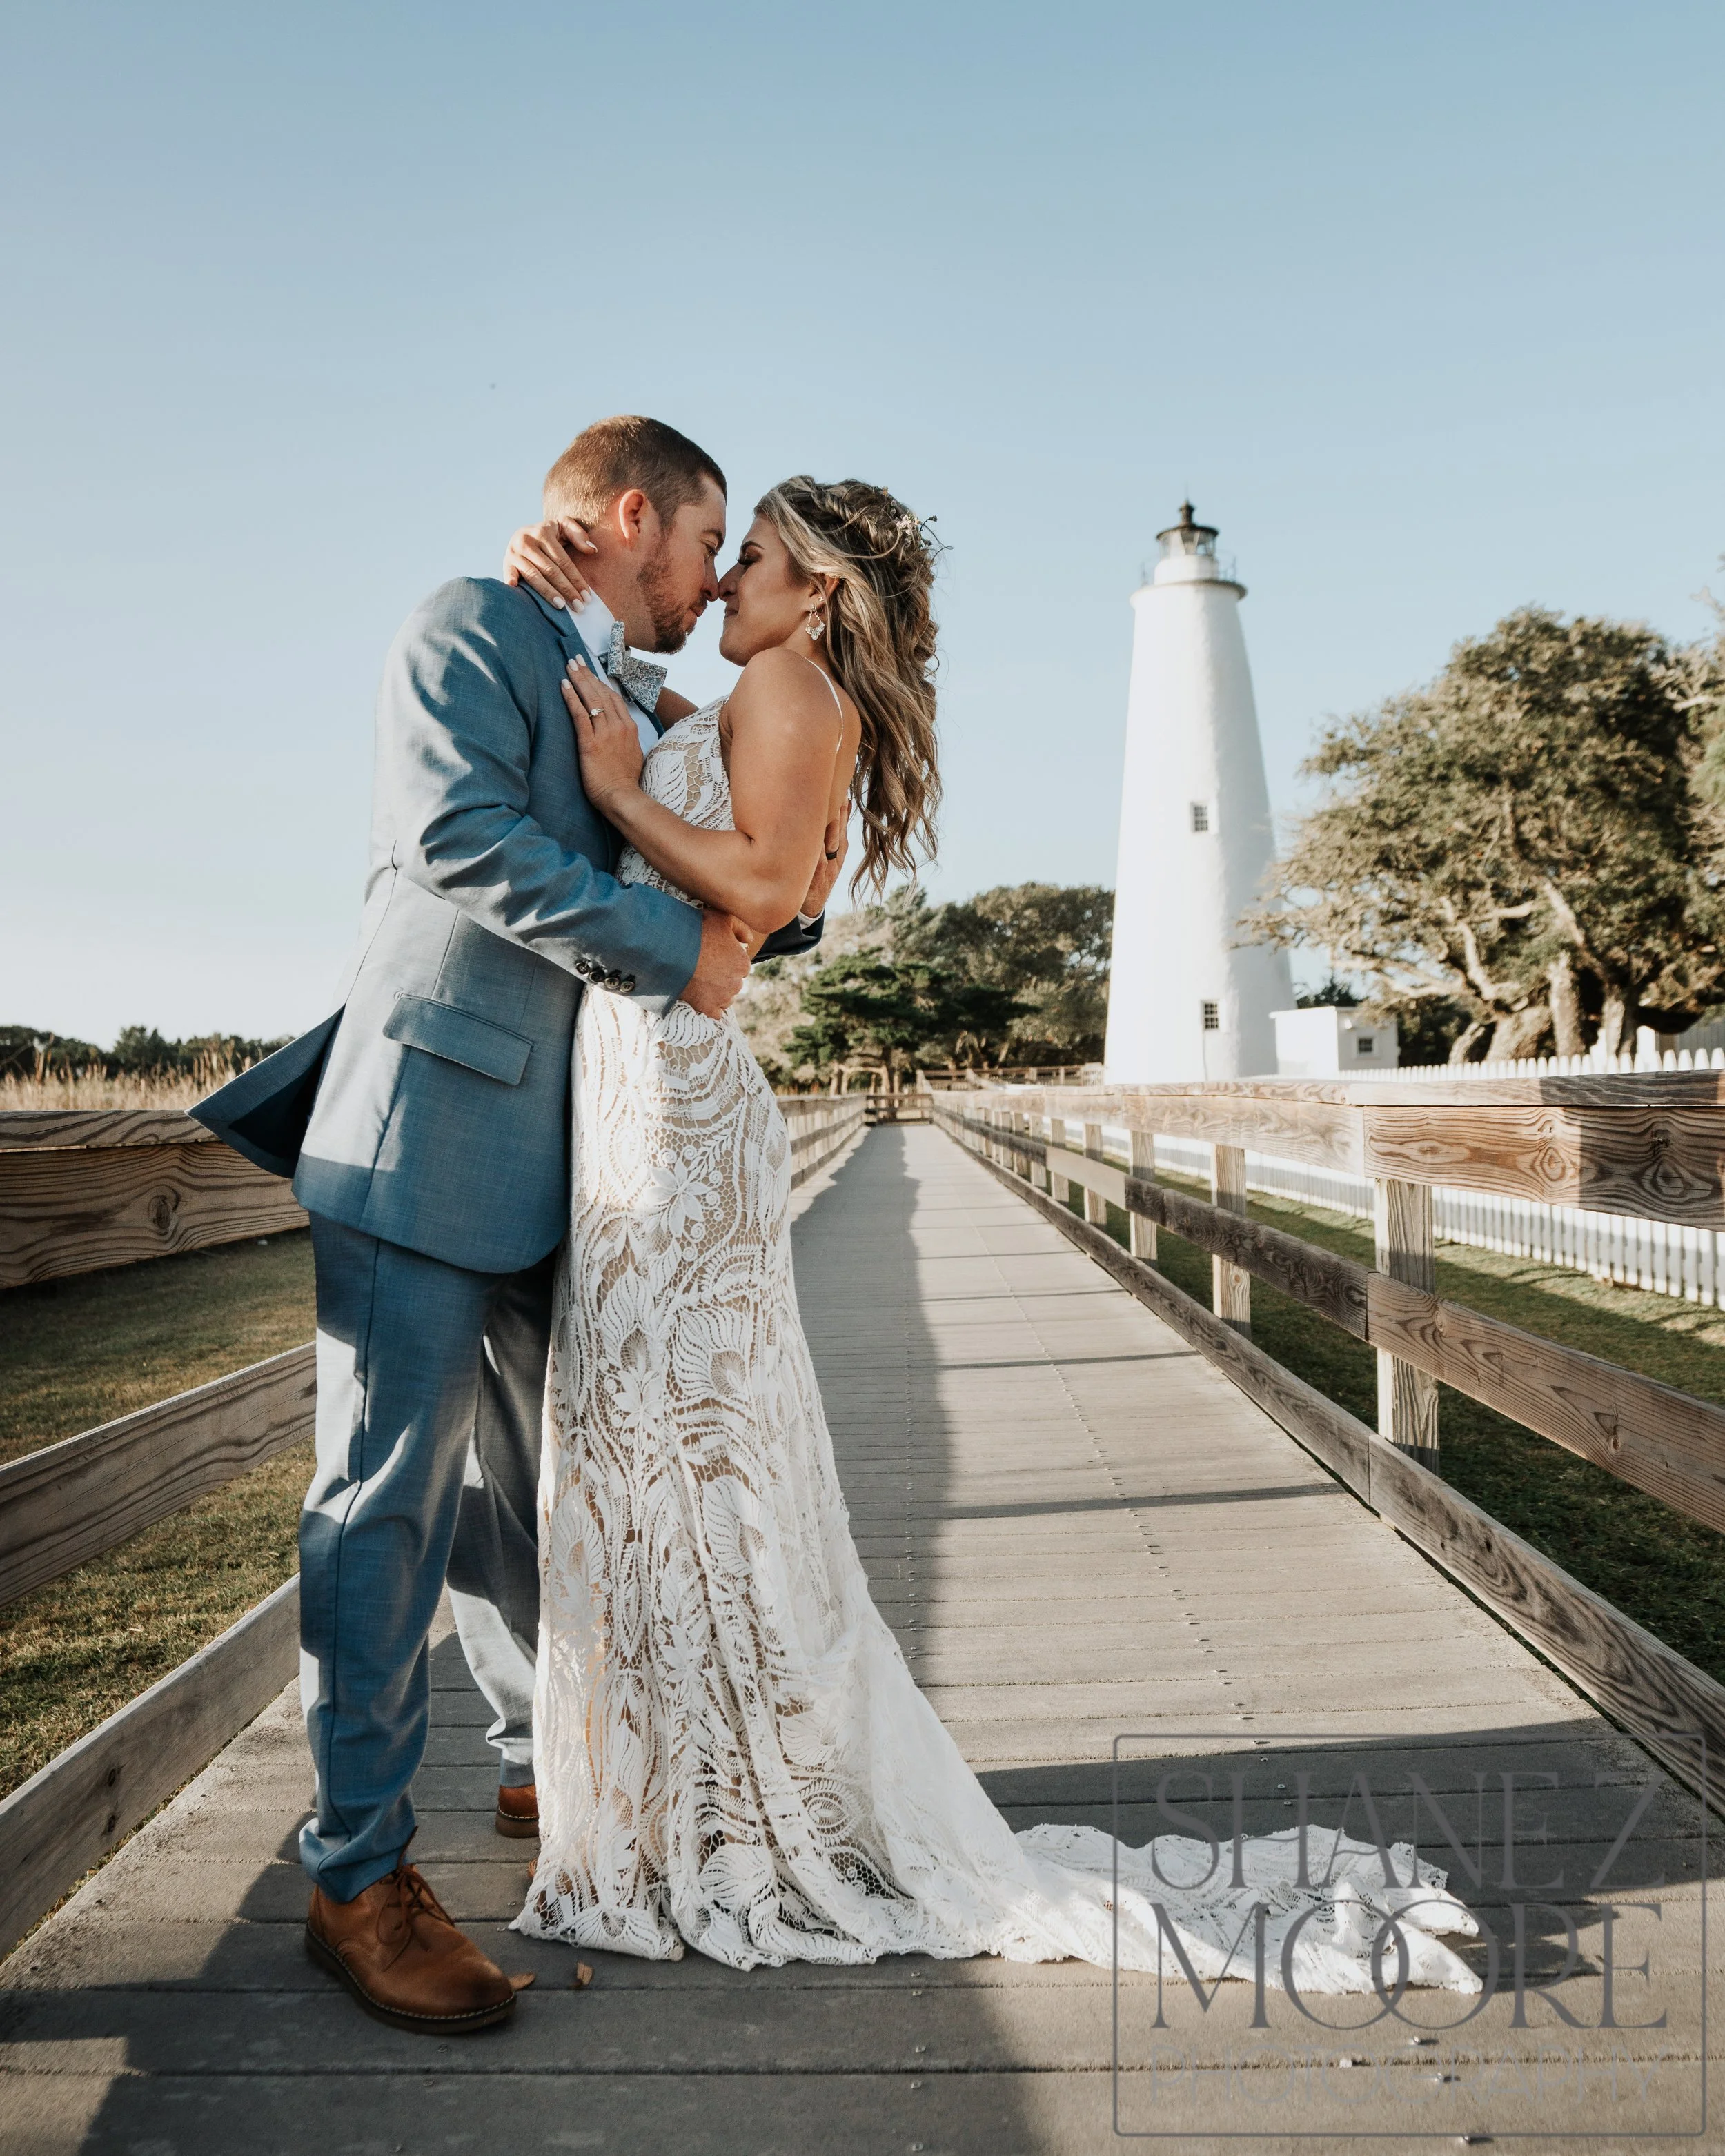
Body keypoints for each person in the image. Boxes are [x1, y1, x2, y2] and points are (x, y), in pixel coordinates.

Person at [497, 479, 1483, 1992]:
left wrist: (625, 792)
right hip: (651, 1091)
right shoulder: (779, 688)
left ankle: (720, 1811)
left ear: (815, 588)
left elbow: (756, 888)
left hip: (668, 1103)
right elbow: (656, 720)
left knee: (672, 1448)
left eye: (747, 558)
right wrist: (583, 630)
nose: (720, 582)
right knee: (668, 1455)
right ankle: (684, 1796)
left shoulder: (785, 683)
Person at [192, 418, 845, 2034]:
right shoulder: (467, 625)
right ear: (632, 515)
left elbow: (771, 880)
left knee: (550, 1495)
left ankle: (530, 1761)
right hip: (426, 1128)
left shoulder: (612, 672)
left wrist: (750, 848)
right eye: (700, 549)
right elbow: (459, 840)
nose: (706, 585)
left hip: (581, 1160)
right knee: (386, 1505)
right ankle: (354, 1873)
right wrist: (677, 945)